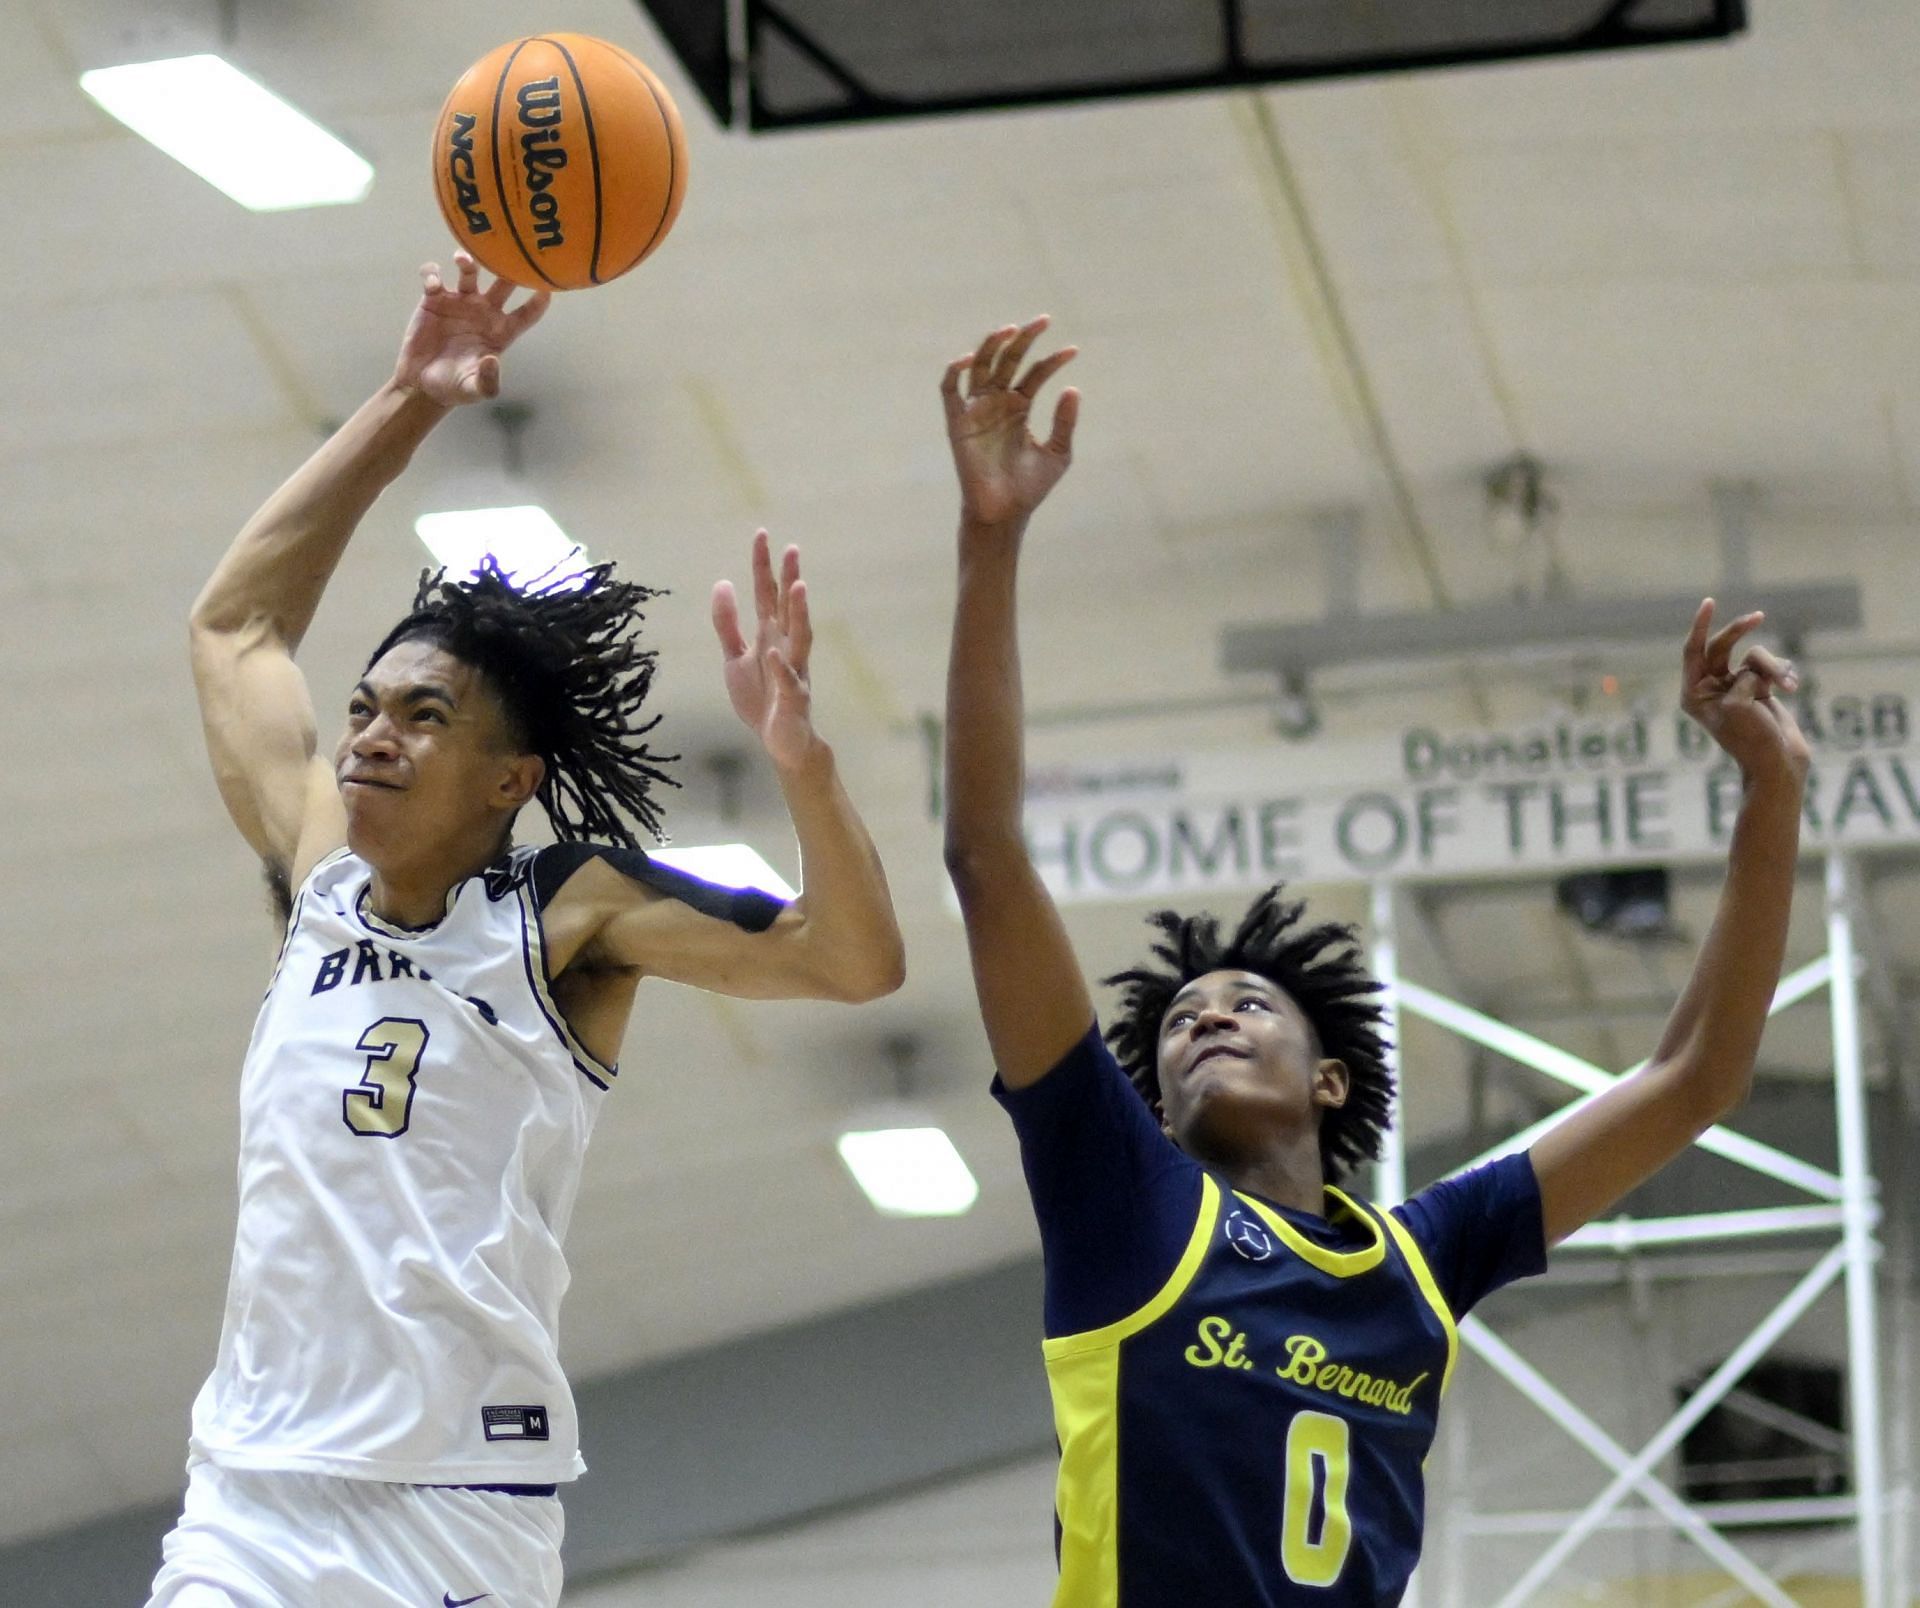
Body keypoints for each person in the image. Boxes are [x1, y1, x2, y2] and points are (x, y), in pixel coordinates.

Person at [938, 317, 1809, 1605]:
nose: (1205, 1021)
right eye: (1180, 1023)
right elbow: (987, 857)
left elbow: (1696, 1076)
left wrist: (1773, 795)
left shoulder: (1419, 1263)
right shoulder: (1123, 1202)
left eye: (1245, 1003)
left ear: (1333, 1078)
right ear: (1153, 1103)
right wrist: (991, 540)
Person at [148, 252, 905, 1608]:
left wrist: (804, 768)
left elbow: (852, 962)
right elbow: (235, 628)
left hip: (455, 1509)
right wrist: (406, 399)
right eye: (370, 707)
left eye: (423, 718)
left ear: (510, 782)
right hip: (253, 1496)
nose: (373, 735)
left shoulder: (571, 915)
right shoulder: (319, 878)